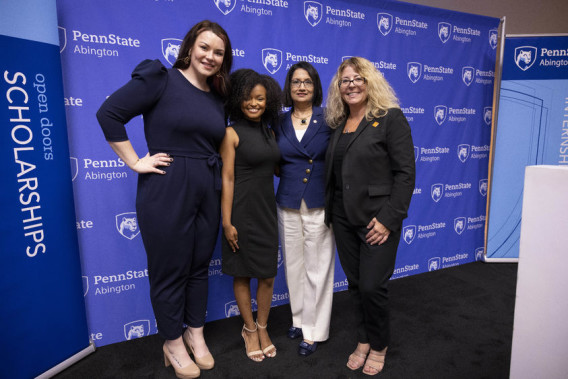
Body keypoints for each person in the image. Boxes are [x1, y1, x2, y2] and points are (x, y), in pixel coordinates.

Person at [96, 20, 232, 379]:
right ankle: (171, 342)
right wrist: (136, 161)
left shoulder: (218, 97)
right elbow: (109, 114)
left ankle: (195, 334)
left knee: (199, 266)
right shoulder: (161, 78)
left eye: (218, 52)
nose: (211, 56)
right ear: (189, 47)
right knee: (170, 270)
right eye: (205, 47)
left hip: (207, 184)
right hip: (168, 186)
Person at [324, 57, 415, 375]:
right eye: (345, 80)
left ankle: (379, 344)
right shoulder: (338, 124)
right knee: (355, 284)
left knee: (372, 286)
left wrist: (390, 218)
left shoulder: (390, 118)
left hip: (378, 219)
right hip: (343, 217)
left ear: (370, 81)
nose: (351, 84)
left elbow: (405, 173)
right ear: (339, 88)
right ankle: (363, 339)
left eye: (357, 78)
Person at [220, 69, 281, 363]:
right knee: (243, 272)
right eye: (248, 98)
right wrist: (227, 221)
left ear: (268, 101)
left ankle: (264, 327)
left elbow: (278, 168)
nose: (254, 103)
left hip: (267, 211)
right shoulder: (230, 133)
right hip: (241, 213)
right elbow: (228, 178)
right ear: (237, 100)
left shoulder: (270, 132)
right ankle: (249, 329)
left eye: (260, 98)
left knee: (267, 275)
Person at [274, 62, 335, 356]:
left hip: (318, 200)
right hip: (287, 201)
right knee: (294, 265)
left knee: (318, 266)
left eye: (307, 81)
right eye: (296, 81)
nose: (301, 86)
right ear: (289, 87)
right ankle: (299, 318)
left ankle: (314, 329)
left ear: (315, 87)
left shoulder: (330, 117)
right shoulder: (278, 121)